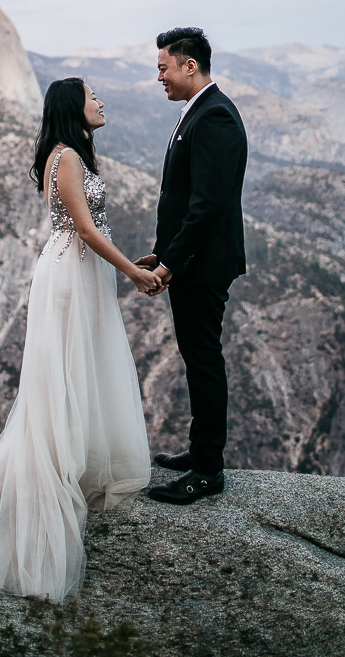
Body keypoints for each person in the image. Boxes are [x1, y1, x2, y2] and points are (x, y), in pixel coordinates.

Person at [0, 78, 161, 601]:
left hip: (83, 272)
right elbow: (83, 230)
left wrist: (132, 261)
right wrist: (133, 272)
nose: (102, 102)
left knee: (86, 367)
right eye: (92, 96)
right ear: (72, 108)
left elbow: (92, 224)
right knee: (65, 372)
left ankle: (75, 462)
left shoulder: (73, 154)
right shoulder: (64, 157)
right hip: (68, 274)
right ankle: (45, 484)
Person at [137, 27, 248, 504]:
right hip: (189, 262)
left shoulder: (215, 117)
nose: (158, 76)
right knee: (196, 359)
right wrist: (164, 255)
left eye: (164, 67)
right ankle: (200, 451)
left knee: (203, 362)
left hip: (202, 268)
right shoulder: (198, 113)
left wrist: (170, 266)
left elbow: (206, 207)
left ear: (189, 66)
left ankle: (207, 469)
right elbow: (185, 201)